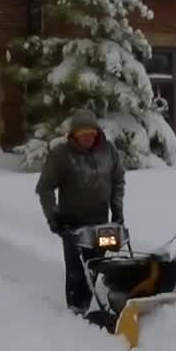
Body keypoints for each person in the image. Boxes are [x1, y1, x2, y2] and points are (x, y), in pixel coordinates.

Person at [35, 108, 125, 315]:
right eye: (82, 134)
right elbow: (45, 188)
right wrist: (54, 218)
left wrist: (117, 211)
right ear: (74, 134)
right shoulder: (61, 155)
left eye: (91, 134)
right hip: (72, 225)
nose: (87, 138)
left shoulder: (108, 151)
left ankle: (95, 305)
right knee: (76, 270)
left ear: (97, 133)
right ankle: (76, 310)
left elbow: (118, 180)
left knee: (96, 265)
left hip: (101, 223)